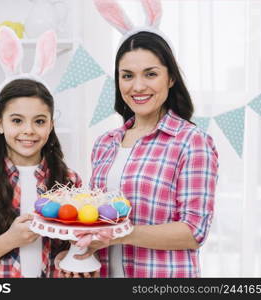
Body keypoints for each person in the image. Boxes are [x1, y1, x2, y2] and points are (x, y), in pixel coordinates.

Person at [64, 0, 219, 278]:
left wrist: (121, 234)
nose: (137, 86)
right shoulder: (105, 143)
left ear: (170, 78)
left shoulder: (191, 142)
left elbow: (193, 231)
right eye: (127, 75)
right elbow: (97, 220)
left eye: (151, 74)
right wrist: (79, 257)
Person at [0, 78, 81, 278]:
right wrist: (11, 239)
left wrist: (71, 260)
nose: (28, 130)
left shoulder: (69, 180)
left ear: (50, 126)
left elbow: (74, 248)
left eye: (39, 121)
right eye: (17, 120)